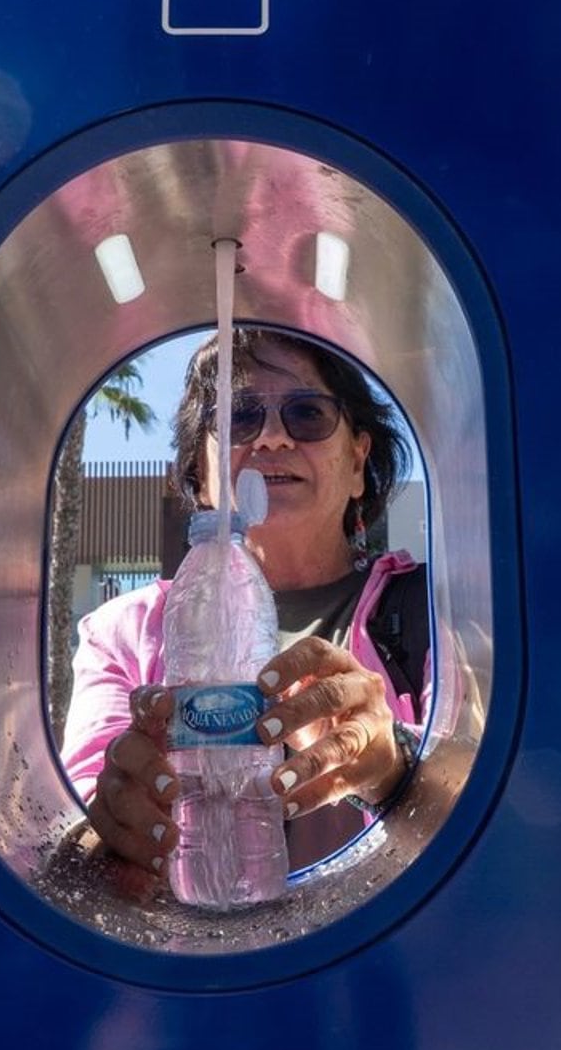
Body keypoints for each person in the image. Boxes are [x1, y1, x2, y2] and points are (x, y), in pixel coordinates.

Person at [61, 328, 428, 890]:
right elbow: (73, 825)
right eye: (240, 417)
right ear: (198, 473)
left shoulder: (433, 613)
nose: (274, 438)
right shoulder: (123, 632)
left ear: (358, 462)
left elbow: (494, 807)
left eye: (308, 414)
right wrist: (117, 821)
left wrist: (391, 764)